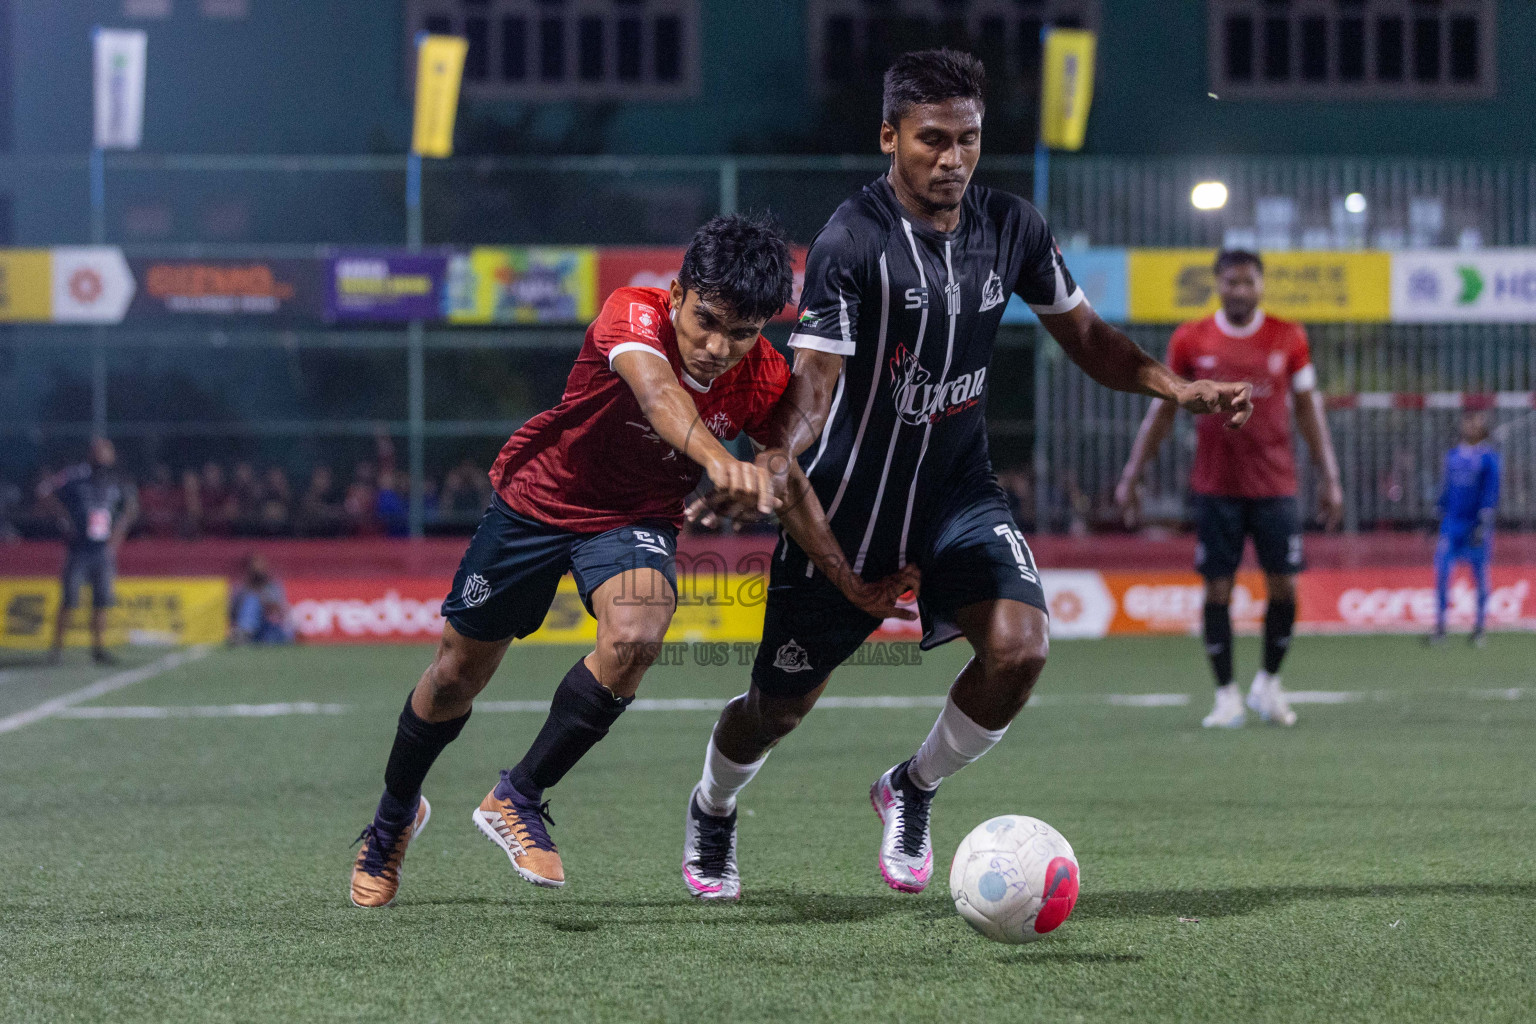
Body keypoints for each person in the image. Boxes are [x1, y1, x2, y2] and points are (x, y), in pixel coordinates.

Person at [677, 50, 1253, 902]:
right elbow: (815, 382)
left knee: (1021, 648)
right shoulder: (851, 240)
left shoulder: (1012, 226)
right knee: (777, 708)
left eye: (969, 140)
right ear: (890, 137)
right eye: (932, 140)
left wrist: (1175, 386)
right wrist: (774, 458)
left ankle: (911, 787)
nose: (953, 159)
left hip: (959, 492)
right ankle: (713, 805)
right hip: (849, 512)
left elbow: (1086, 335)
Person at [347, 214, 912, 908]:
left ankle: (517, 795)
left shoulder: (760, 375)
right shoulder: (631, 313)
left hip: (634, 519)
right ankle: (392, 818)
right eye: (705, 320)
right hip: (537, 502)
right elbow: (659, 395)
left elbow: (785, 480)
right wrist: (717, 462)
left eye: (741, 333)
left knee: (639, 632)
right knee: (456, 676)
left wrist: (848, 580)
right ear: (677, 294)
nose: (716, 347)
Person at [1116, 249, 1342, 729]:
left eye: (1248, 282)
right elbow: (1163, 409)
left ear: (1261, 285)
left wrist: (1331, 475)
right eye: (1231, 282)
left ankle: (1268, 685)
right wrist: (1133, 472)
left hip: (1276, 486)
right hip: (1216, 488)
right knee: (1217, 590)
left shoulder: (1289, 336)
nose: (1239, 290)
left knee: (1284, 587)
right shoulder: (1191, 339)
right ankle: (1225, 696)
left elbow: (1308, 407)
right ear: (1217, 284)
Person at [38, 437, 138, 665]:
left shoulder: (116, 480)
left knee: (102, 600)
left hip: (103, 550)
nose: (103, 457)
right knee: (70, 599)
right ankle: (57, 649)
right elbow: (45, 492)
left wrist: (117, 537)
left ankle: (99, 648)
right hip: (79, 549)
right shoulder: (75, 476)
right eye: (100, 452)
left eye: (107, 452)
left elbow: (131, 508)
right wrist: (63, 519)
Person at [1428, 411, 1500, 646]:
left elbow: (1491, 494)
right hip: (1452, 525)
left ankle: (1479, 628)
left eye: (1476, 421)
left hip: (1475, 526)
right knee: (1442, 573)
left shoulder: (1488, 459)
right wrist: (1438, 513)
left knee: (1479, 577)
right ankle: (1440, 627)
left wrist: (1484, 521)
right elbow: (1447, 489)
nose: (1470, 424)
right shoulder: (1453, 456)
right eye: (1468, 420)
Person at [228, 554, 294, 644]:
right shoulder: (242, 588)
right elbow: (232, 612)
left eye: (260, 566)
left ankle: (245, 634)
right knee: (251, 601)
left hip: (269, 626)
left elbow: (279, 610)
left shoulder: (272, 586)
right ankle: (245, 633)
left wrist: (264, 601)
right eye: (255, 566)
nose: (258, 569)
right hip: (249, 627)